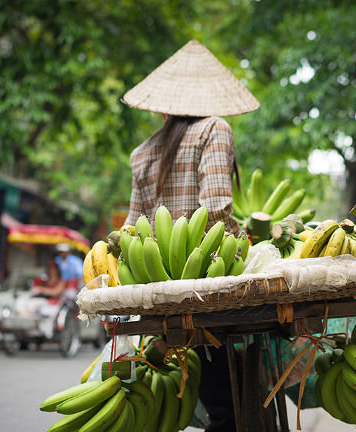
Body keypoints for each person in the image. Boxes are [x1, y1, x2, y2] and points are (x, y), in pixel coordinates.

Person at [122, 40, 259, 432]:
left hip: (160, 294)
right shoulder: (214, 129)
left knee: (208, 402)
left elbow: (133, 229)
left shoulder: (141, 153)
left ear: (163, 105)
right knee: (227, 409)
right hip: (207, 290)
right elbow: (216, 211)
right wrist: (241, 246)